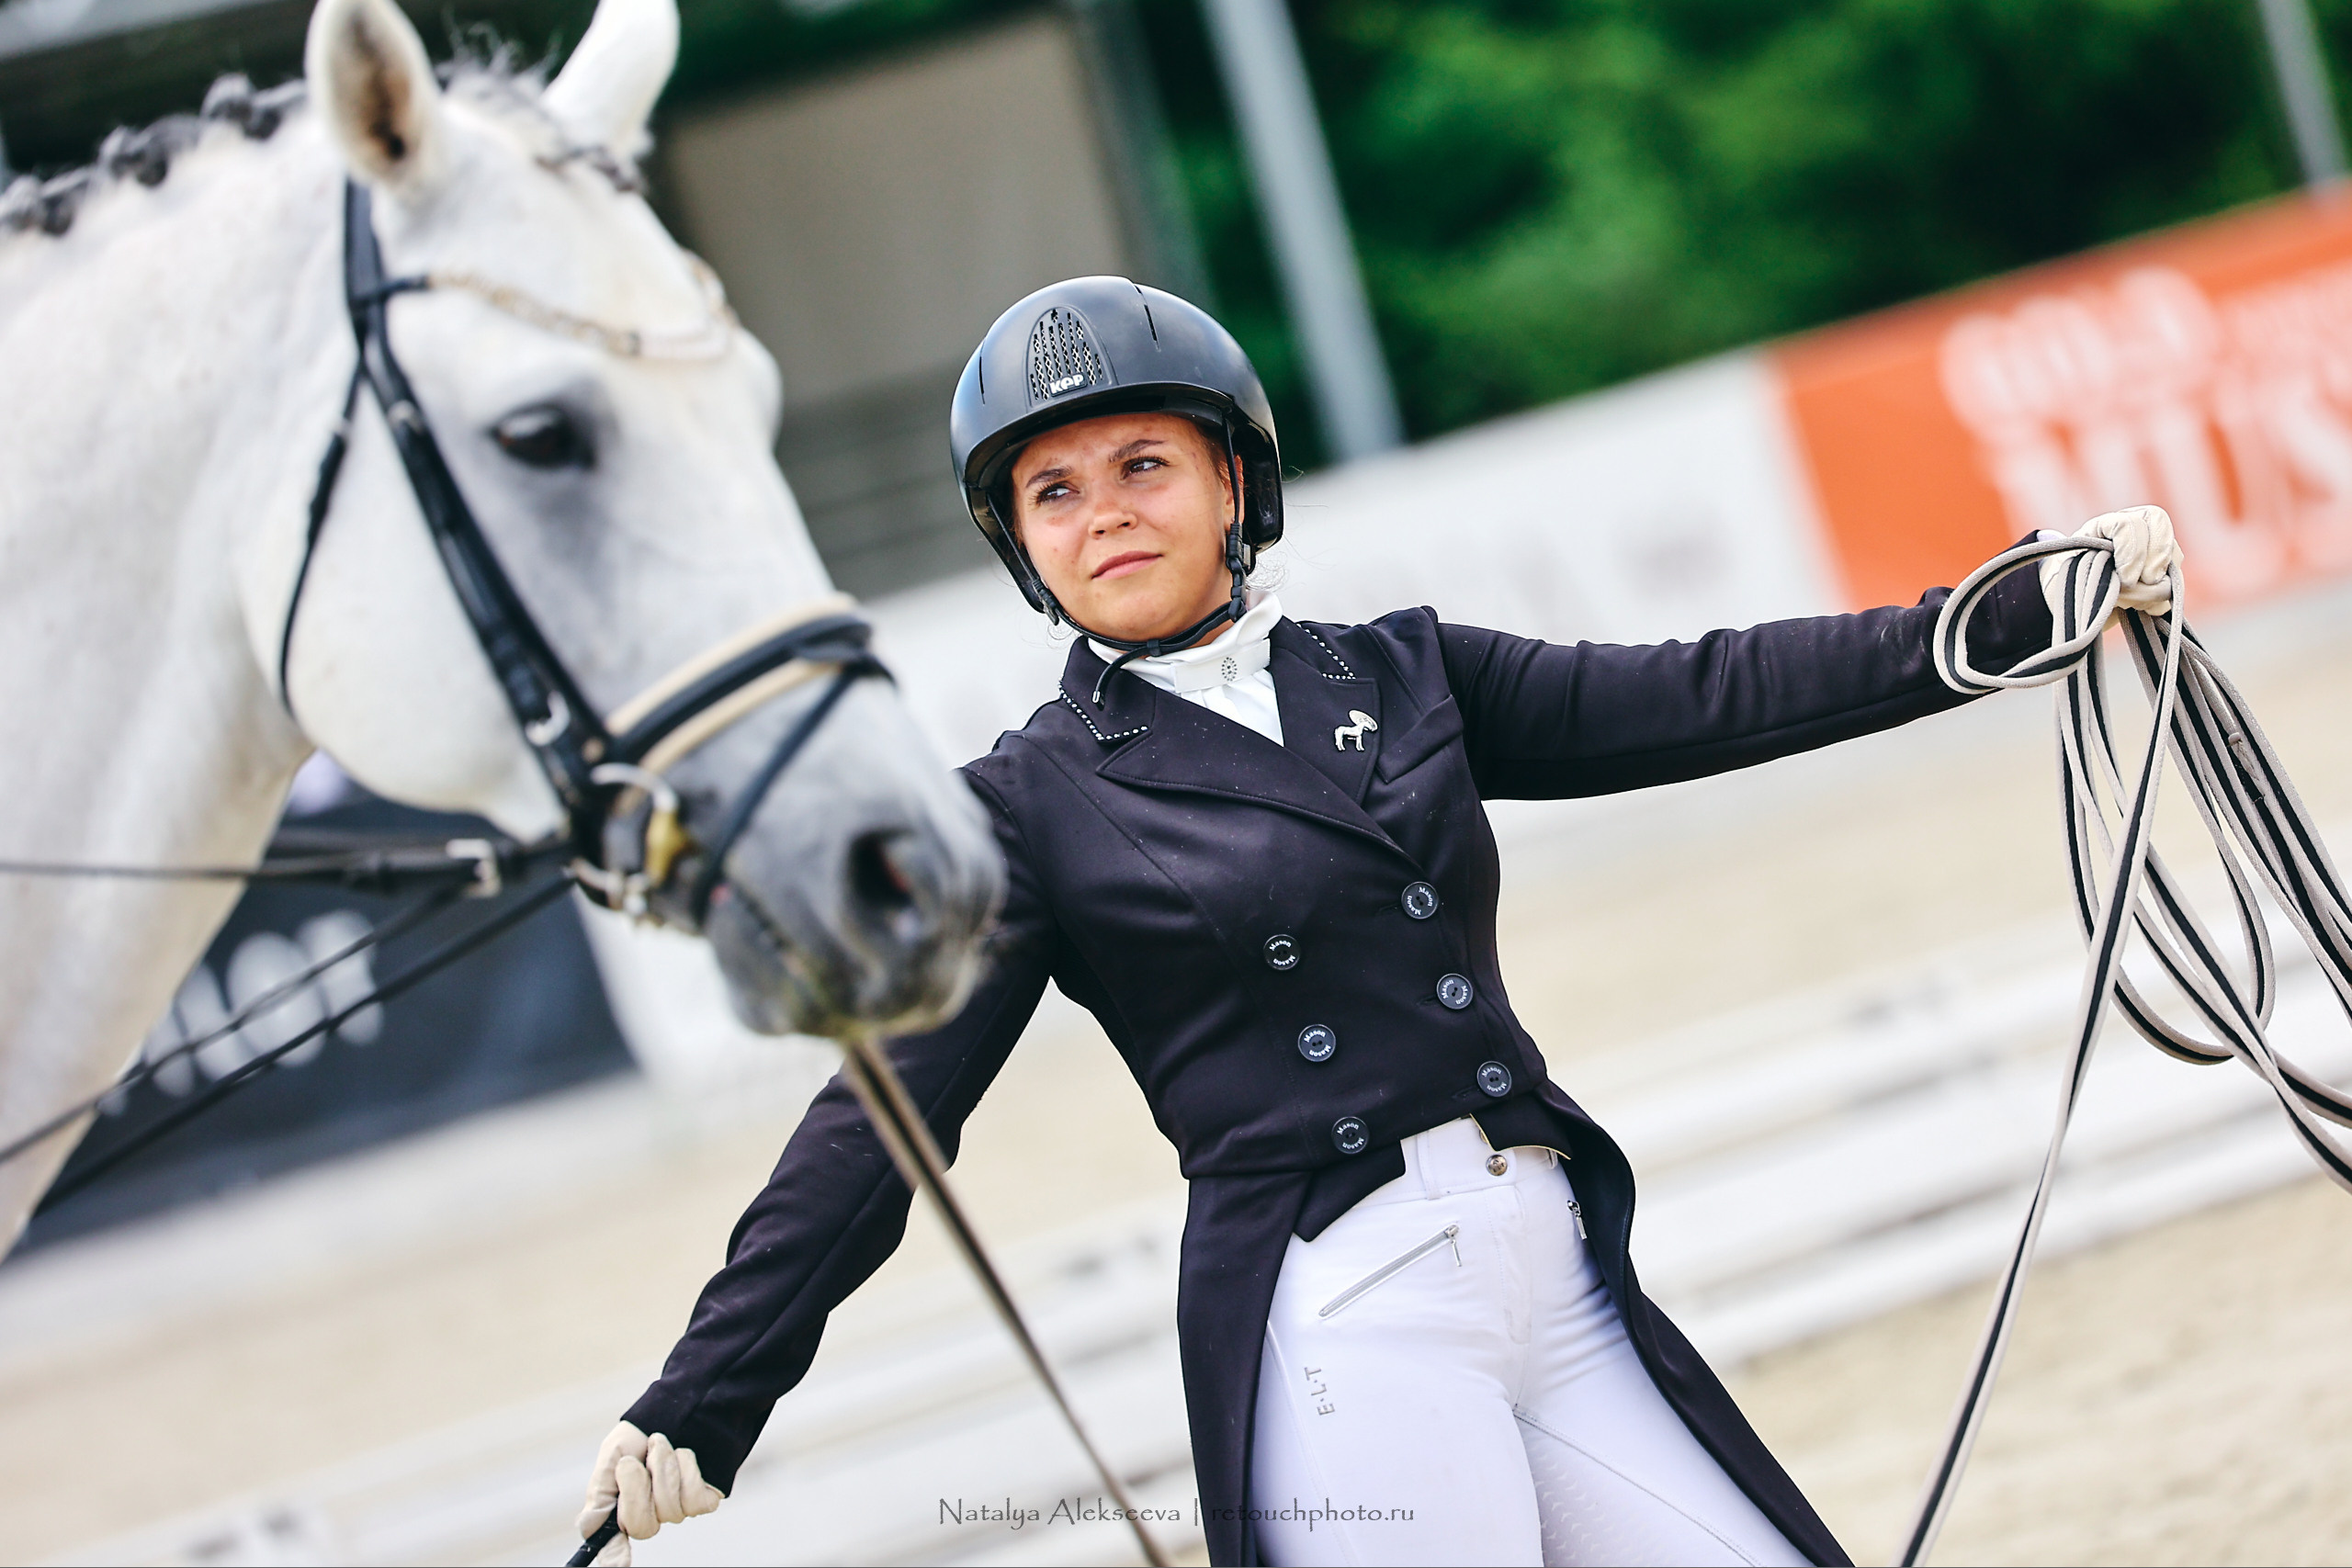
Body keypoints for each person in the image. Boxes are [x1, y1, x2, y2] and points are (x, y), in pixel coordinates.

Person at [575, 277, 2177, 1566]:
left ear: (1229, 480)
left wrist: (2007, 613)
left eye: (1142, 465)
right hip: (1347, 1324)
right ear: (1019, 543)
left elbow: (1699, 693)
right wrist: (702, 1400)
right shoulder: (1024, 804)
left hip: (1550, 1270)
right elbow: (878, 1126)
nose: (1103, 514)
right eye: (1050, 492)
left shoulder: (1408, 671)